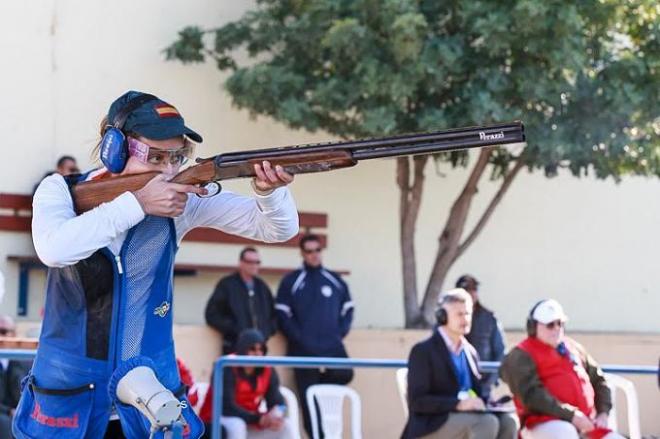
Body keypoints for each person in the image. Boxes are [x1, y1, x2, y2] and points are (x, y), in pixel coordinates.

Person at [16, 90, 299, 439]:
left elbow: (276, 229)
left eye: (178, 156)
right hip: (68, 405)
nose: (168, 169)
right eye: (156, 156)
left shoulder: (182, 201)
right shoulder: (59, 190)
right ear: (114, 148)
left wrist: (269, 192)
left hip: (150, 405)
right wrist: (137, 204)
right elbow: (54, 249)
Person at [401, 288, 518, 439]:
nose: (465, 319)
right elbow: (417, 401)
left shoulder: (470, 352)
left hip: (467, 416)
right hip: (431, 423)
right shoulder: (423, 351)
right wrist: (458, 404)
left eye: (467, 313)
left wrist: (491, 403)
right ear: (442, 317)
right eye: (459, 314)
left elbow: (476, 392)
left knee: (509, 422)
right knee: (487, 423)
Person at [500, 299, 624, 439]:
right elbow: (532, 396)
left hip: (587, 424)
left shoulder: (574, 348)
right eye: (550, 325)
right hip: (542, 423)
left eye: (560, 323)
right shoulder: (521, 354)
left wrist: (603, 412)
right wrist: (571, 416)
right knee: (565, 432)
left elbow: (599, 380)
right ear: (533, 327)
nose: (557, 328)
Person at [275, 234, 354, 437]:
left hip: (332, 346)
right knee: (308, 398)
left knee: (346, 373)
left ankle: (320, 384)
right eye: (309, 251)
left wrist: (339, 334)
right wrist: (299, 337)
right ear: (302, 253)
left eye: (317, 250)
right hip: (302, 349)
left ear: (321, 251)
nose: (314, 255)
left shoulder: (334, 280)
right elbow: (282, 313)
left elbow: (348, 308)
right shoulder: (292, 281)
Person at [199, 329, 295, 439]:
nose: (257, 354)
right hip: (219, 420)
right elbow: (226, 407)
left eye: (261, 349)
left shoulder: (267, 369)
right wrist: (259, 419)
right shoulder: (226, 366)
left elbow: (276, 400)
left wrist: (276, 414)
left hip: (250, 420)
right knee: (237, 425)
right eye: (252, 349)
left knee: (286, 426)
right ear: (242, 350)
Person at [205, 247, 277, 354]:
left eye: (257, 262)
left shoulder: (262, 287)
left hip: (259, 350)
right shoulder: (227, 285)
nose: (254, 266)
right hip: (234, 347)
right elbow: (212, 314)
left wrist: (265, 333)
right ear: (241, 263)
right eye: (250, 262)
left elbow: (274, 316)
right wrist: (236, 330)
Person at [456, 274, 506, 400]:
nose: (471, 293)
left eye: (474, 289)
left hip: (483, 387)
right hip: (454, 387)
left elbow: (500, 352)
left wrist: (489, 382)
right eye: (467, 290)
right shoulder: (446, 320)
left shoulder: (489, 318)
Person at [0, 315, 32, 439]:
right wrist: (8, 411)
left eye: (3, 332)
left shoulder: (26, 362)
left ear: (14, 334)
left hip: (21, 415)